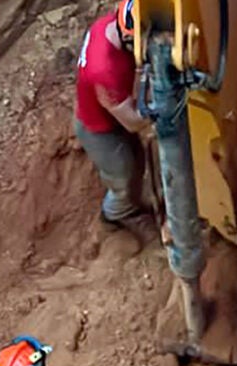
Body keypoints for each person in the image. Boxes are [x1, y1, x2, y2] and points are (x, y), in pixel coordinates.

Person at [75, 0, 157, 244]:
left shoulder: (109, 25)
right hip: (99, 129)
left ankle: (130, 201)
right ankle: (116, 214)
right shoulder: (104, 69)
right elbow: (133, 123)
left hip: (108, 113)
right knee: (123, 174)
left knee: (137, 161)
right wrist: (161, 108)